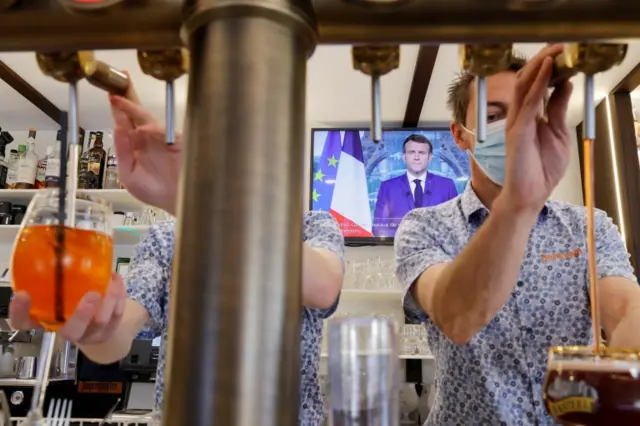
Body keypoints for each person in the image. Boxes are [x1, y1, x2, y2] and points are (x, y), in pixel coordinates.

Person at [9, 79, 345, 426]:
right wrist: (96, 331)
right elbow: (122, 329)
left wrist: (204, 204)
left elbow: (322, 289)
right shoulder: (167, 238)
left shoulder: (312, 226)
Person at [395, 44, 640, 425]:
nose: (517, 130)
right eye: (496, 116)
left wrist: (621, 387)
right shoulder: (424, 227)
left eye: (529, 115)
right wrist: (519, 204)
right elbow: (457, 316)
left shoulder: (588, 226)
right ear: (460, 135)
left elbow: (627, 312)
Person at [373, 134, 458, 237]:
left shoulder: (447, 186)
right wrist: (410, 237)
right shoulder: (387, 188)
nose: (416, 157)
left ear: (429, 157)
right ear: (404, 157)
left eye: (421, 153)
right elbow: (378, 229)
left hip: (437, 251)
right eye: (411, 152)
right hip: (396, 250)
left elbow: (456, 226)